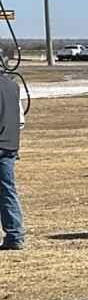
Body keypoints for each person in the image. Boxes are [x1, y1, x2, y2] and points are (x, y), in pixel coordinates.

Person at [0, 66, 24, 250]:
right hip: (9, 145)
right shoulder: (13, 86)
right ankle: (15, 235)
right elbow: (21, 120)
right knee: (8, 191)